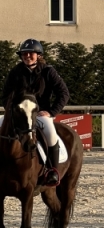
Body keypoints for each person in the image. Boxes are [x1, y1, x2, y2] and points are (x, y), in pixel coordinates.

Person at [1, 39, 69, 186]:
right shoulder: (16, 72)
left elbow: (63, 93)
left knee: (51, 133)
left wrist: (51, 112)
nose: (27, 56)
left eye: (30, 53)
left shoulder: (48, 71)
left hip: (40, 114)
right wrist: (12, 112)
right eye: (24, 54)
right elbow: (5, 95)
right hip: (19, 115)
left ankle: (52, 171)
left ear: (38, 55)